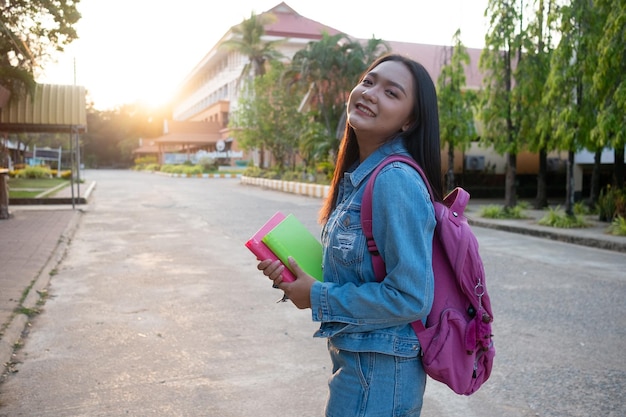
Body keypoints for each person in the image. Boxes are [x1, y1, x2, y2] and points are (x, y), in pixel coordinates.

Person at [257, 53, 443, 417]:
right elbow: (360, 272)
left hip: (379, 373)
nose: (370, 93)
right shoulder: (363, 177)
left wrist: (317, 296)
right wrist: (298, 280)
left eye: (391, 92)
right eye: (369, 81)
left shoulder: (394, 180)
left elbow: (411, 297)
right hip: (363, 364)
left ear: (410, 121)